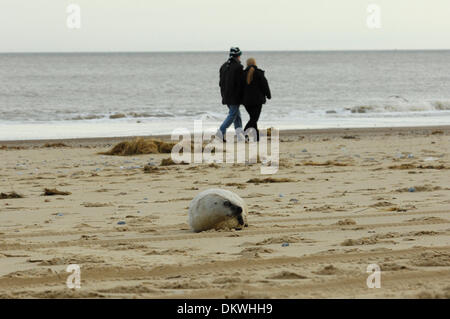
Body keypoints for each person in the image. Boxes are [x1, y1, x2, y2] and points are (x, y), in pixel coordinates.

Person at [218, 47, 245, 141]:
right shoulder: (238, 67)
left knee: (237, 116)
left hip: (225, 95)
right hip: (235, 96)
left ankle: (240, 136)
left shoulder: (223, 66)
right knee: (233, 114)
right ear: (238, 56)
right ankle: (220, 132)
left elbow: (220, 83)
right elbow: (241, 83)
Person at [242, 58, 271, 141]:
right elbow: (265, 85)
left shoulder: (243, 74)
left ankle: (256, 137)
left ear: (247, 64)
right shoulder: (259, 73)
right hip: (257, 101)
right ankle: (244, 132)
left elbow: (239, 88)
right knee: (254, 119)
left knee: (253, 118)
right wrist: (268, 95)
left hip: (246, 102)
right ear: (255, 63)